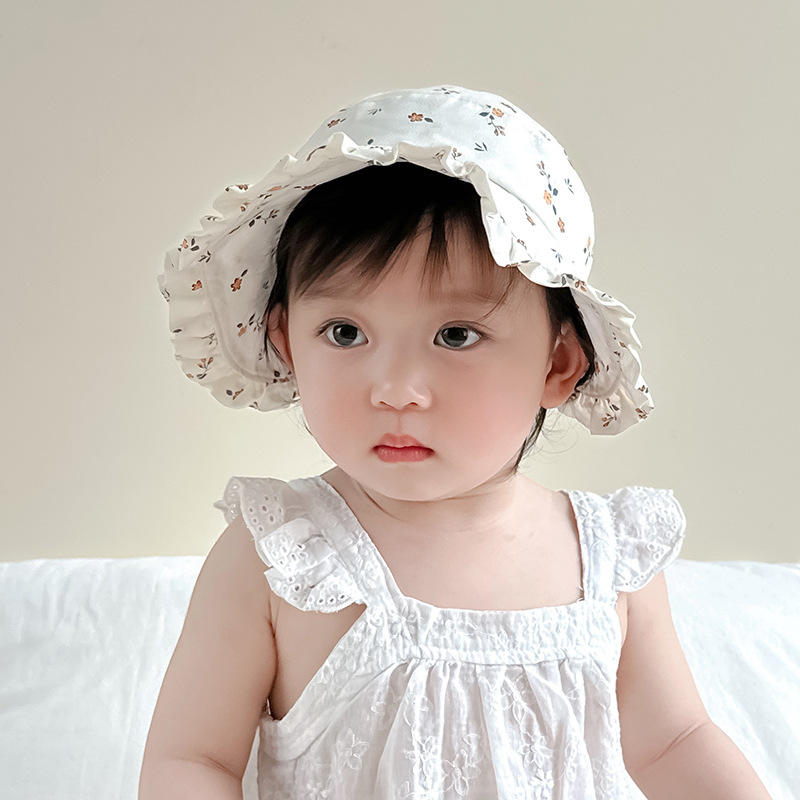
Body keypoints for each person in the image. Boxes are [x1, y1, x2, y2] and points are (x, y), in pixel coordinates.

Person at [140, 86, 771, 799]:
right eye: (345, 333)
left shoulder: (609, 562)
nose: (396, 389)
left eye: (456, 335)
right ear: (287, 343)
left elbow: (676, 742)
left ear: (558, 365)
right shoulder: (283, 557)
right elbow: (192, 760)